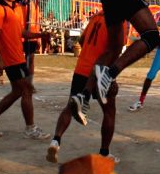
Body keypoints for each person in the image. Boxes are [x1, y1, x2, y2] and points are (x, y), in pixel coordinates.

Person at [47, 11, 126, 164]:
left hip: (81, 68)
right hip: (101, 71)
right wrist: (112, 76)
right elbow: (115, 50)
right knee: (109, 112)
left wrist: (90, 54)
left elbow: (82, 40)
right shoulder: (119, 19)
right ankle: (104, 153)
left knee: (70, 106)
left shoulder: (96, 17)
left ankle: (55, 141)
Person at [0, 0, 51, 140]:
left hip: (18, 56)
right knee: (26, 90)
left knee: (18, 91)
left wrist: (40, 34)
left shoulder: (16, 9)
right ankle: (30, 128)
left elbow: (22, 34)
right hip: (10, 59)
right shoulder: (0, 10)